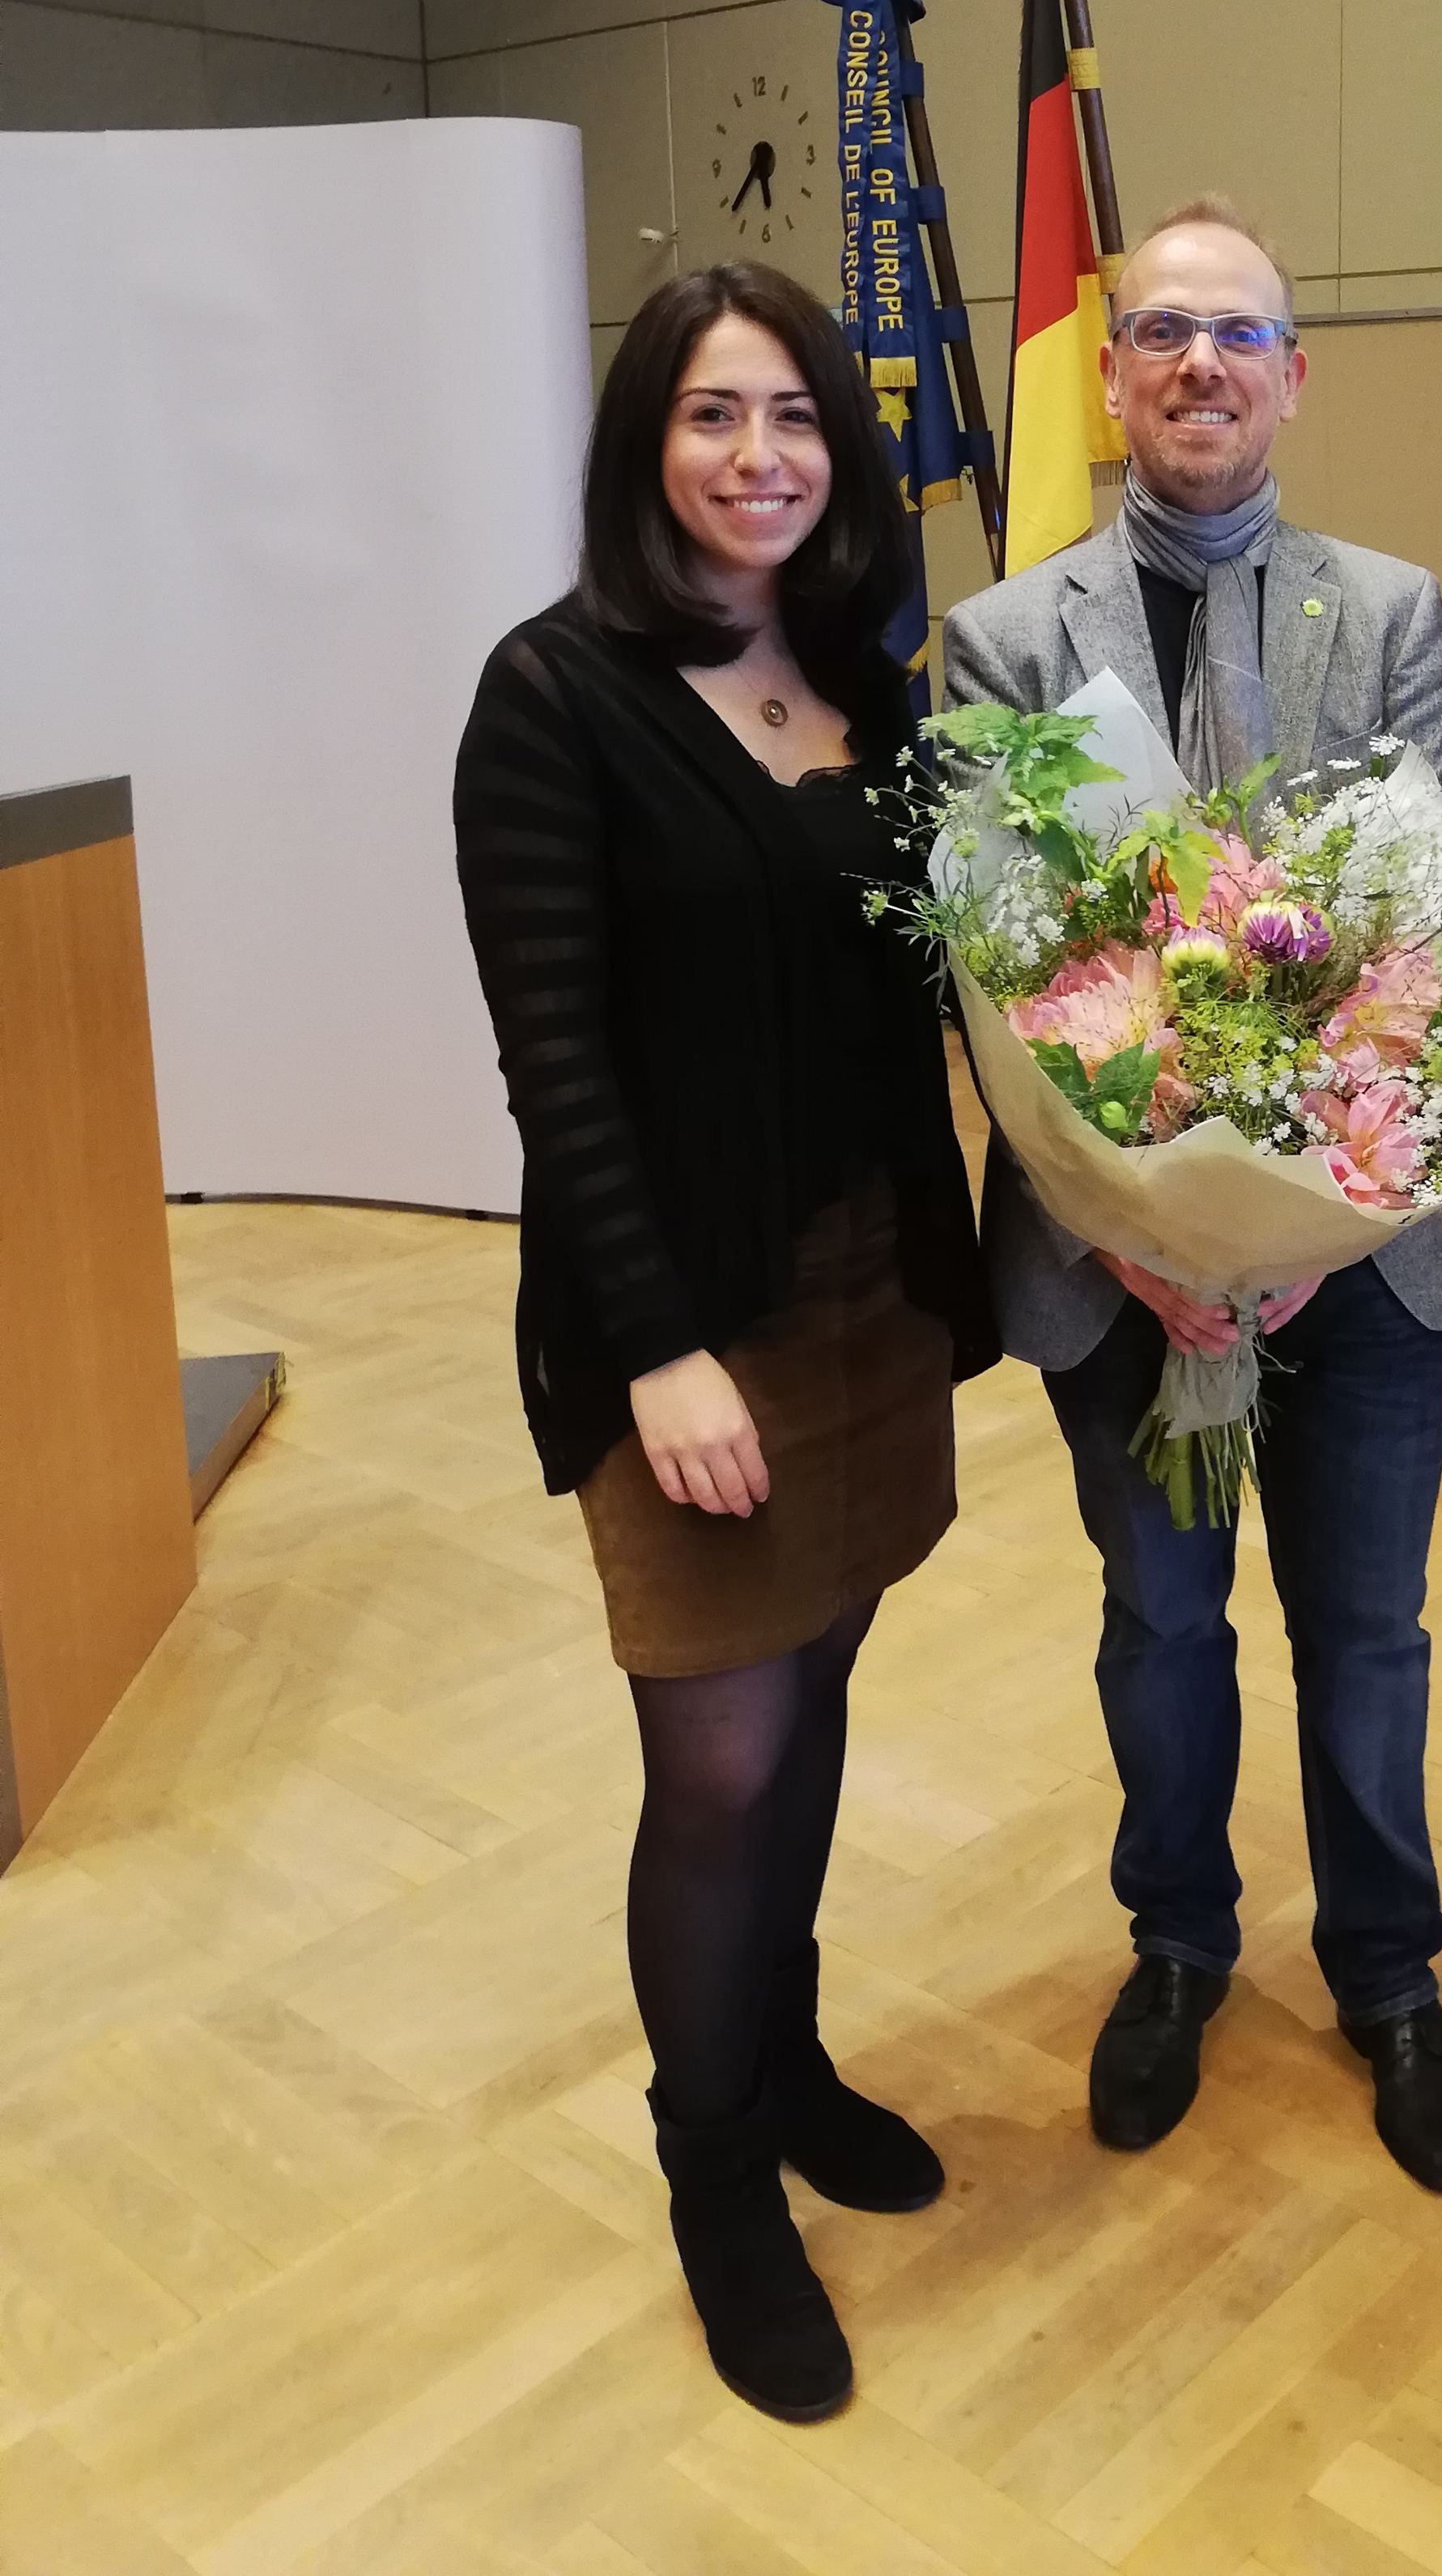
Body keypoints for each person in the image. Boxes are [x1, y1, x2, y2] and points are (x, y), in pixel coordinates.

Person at [453, 263, 996, 2421]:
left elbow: (968, 987)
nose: (756, 453)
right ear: (642, 447)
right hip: (678, 1312)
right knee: (722, 1748)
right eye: (709, 415)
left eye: (789, 414)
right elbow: (553, 1060)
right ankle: (711, 2174)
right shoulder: (553, 693)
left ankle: (780, 2060)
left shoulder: (872, 680)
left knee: (830, 1668)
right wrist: (663, 1352)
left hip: (874, 1282)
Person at [941, 195, 1442, 2193]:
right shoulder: (1007, 636)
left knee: (1366, 1628)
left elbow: (1440, 931)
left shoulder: (1396, 609)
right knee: (1163, 1623)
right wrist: (1144, 1220)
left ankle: (1388, 1971)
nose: (1196, 365)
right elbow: (1003, 961)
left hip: (1362, 1250)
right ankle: (1177, 1949)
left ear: (1290, 372)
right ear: (1114, 370)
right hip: (1119, 1268)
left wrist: (1301, 1202)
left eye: (1235, 334)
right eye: (1160, 330)